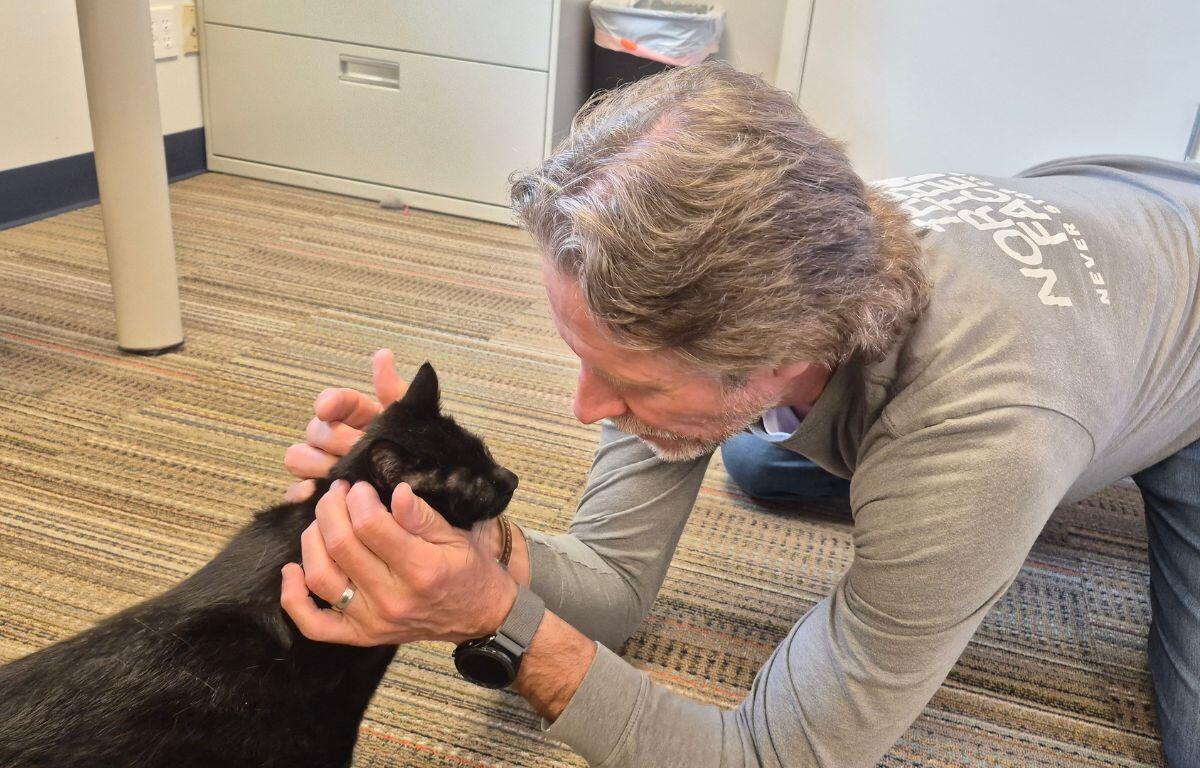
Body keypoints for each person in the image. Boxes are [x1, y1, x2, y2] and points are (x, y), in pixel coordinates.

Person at [278, 61, 1200, 767]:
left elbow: (768, 758)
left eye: (627, 383)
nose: (586, 409)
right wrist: (466, 530)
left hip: (1164, 334)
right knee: (757, 458)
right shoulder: (753, 258)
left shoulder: (979, 433)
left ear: (783, 351)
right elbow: (613, 587)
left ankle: (1109, 450)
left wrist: (496, 620)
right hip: (1108, 203)